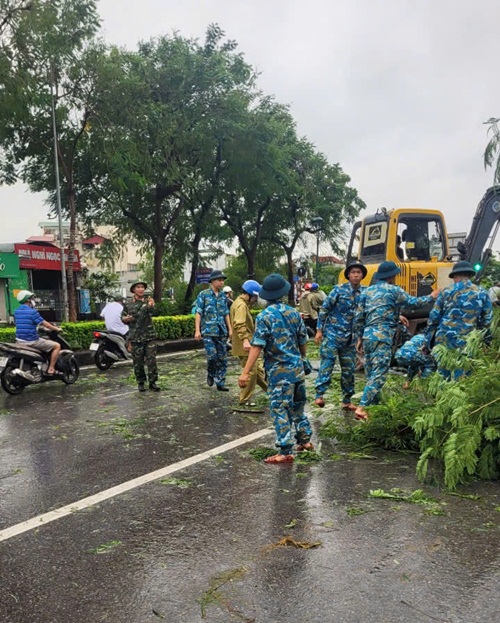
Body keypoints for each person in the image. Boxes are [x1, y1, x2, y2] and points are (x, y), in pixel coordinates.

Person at [238, 273, 313, 464]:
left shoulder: (264, 316)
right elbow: (303, 341)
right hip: (297, 370)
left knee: (280, 408)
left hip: (279, 372)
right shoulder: (294, 313)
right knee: (298, 407)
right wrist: (302, 358)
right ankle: (305, 441)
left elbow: (257, 346)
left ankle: (285, 450)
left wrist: (246, 372)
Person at [354, 261, 439, 421]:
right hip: (383, 337)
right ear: (392, 275)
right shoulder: (393, 290)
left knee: (371, 373)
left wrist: (359, 337)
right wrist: (431, 296)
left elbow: (359, 317)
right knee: (379, 374)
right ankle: (362, 407)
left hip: (367, 336)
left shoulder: (367, 291)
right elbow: (413, 303)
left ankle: (374, 412)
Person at [424, 261, 493, 379]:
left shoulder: (446, 291)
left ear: (455, 276)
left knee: (444, 374)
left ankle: (441, 394)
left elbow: (434, 317)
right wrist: (486, 341)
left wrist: (427, 341)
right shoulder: (482, 292)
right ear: (470, 275)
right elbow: (487, 320)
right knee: (464, 375)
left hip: (445, 340)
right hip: (468, 341)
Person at [314, 261, 367, 410]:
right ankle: (319, 395)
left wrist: (360, 338)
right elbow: (324, 309)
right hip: (332, 335)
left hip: (350, 340)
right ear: (348, 275)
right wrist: (319, 331)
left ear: (362, 275)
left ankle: (347, 400)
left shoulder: (365, 292)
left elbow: (364, 316)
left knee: (349, 370)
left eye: (358, 272)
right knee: (327, 365)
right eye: (353, 272)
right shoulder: (338, 290)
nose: (356, 275)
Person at [230, 279, 268, 406]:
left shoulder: (241, 303)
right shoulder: (241, 305)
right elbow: (239, 323)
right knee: (251, 372)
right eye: (255, 296)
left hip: (245, 343)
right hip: (244, 345)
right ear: (250, 294)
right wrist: (245, 340)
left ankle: (271, 392)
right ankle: (244, 400)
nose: (256, 299)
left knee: (257, 371)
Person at [194, 269, 232, 392]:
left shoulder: (222, 296)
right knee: (212, 357)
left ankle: (220, 382)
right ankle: (211, 373)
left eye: (223, 280)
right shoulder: (203, 294)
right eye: (219, 280)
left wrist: (230, 329)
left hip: (221, 331)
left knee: (222, 358)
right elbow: (198, 312)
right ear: (212, 281)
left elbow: (226, 313)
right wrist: (197, 330)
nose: (222, 282)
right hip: (208, 331)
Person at [121, 280, 159, 392]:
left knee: (151, 360)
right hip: (135, 337)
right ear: (134, 290)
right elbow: (122, 317)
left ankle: (153, 382)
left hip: (149, 336)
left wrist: (151, 306)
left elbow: (153, 312)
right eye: (138, 287)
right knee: (138, 362)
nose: (141, 289)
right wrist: (125, 319)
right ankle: (141, 382)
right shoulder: (128, 303)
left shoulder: (148, 300)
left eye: (142, 287)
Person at [13, 290, 62, 375]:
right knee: (57, 346)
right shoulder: (32, 312)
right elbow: (45, 324)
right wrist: (56, 329)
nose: (33, 300)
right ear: (28, 300)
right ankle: (51, 368)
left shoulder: (16, 311)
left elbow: (24, 323)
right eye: (32, 298)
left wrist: (37, 328)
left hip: (19, 340)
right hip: (31, 341)